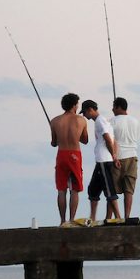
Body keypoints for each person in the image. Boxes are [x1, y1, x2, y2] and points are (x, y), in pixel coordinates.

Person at [50, 93, 89, 224]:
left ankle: (62, 221)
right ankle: (72, 220)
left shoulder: (54, 121)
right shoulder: (81, 120)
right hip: (74, 155)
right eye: (77, 104)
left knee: (61, 189)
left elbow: (54, 142)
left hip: (61, 154)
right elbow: (85, 140)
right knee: (75, 190)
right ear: (74, 105)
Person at [81, 100, 121, 222]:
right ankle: (92, 217)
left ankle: (118, 217)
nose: (84, 116)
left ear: (90, 110)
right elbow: (114, 141)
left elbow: (109, 140)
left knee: (109, 190)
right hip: (100, 161)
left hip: (104, 160)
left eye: (85, 113)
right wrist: (115, 155)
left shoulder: (100, 121)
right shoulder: (104, 121)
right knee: (93, 189)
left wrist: (114, 156)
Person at [110, 96, 139, 219]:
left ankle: (113, 217)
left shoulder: (112, 121)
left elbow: (110, 140)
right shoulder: (135, 121)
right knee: (129, 190)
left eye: (113, 107)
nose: (112, 109)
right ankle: (127, 216)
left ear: (118, 107)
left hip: (117, 157)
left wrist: (113, 156)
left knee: (112, 190)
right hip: (132, 156)